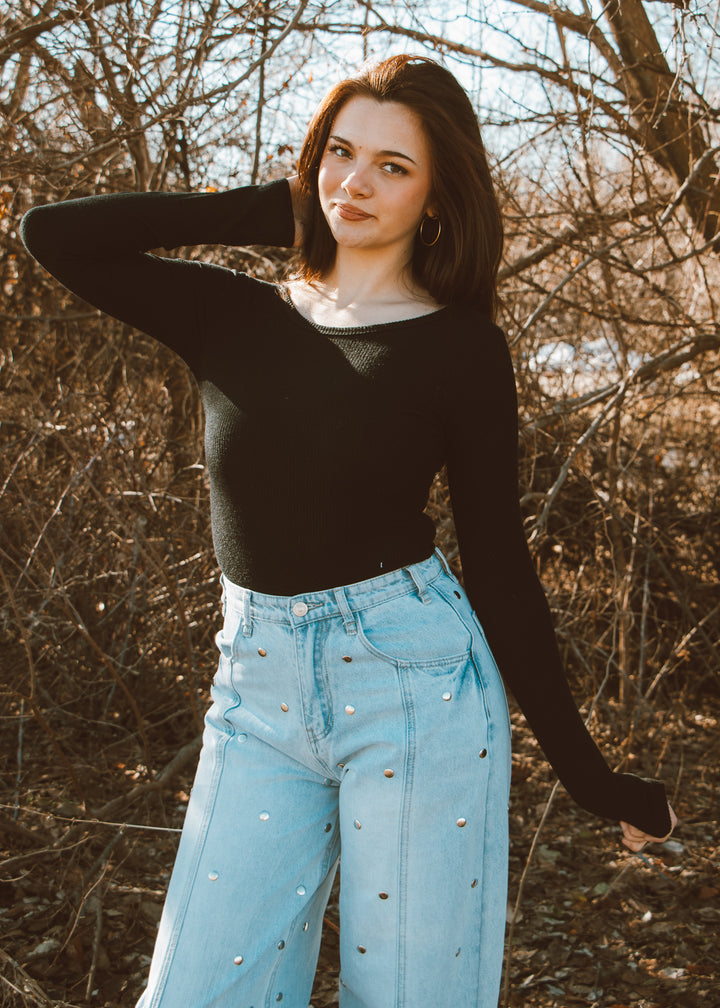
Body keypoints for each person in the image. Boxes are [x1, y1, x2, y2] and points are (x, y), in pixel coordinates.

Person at [21, 54, 676, 1008]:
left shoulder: (460, 348)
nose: (355, 183)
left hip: (415, 690)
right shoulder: (230, 312)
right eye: (340, 152)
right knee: (194, 992)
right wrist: (264, 210)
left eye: (392, 167)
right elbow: (55, 236)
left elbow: (499, 561)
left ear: (440, 193)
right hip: (254, 696)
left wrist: (591, 777)